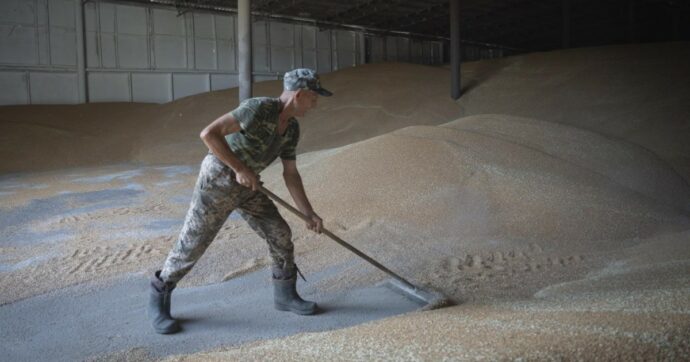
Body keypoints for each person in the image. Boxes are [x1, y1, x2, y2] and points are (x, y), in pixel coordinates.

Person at [147, 68, 332, 334]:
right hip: (218, 181)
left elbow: (290, 173)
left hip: (249, 187)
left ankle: (285, 296)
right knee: (192, 244)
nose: (315, 104)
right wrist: (239, 169)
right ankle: (158, 297)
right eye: (314, 98)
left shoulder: (291, 128)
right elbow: (209, 134)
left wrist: (308, 213)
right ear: (300, 94)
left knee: (280, 233)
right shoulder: (257, 108)